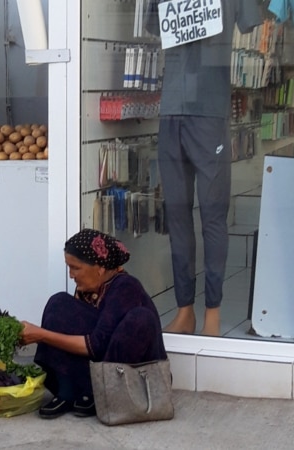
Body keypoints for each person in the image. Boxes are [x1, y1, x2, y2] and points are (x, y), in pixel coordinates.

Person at [145, 0, 262, 336]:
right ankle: (186, 310)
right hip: (172, 109)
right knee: (178, 213)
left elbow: (250, 21)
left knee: (212, 214)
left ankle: (213, 309)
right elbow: (155, 26)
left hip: (210, 110)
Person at [19, 229, 167, 419]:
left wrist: (41, 335)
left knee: (140, 319)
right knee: (58, 304)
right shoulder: (89, 288)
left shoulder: (126, 287)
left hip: (131, 376)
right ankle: (68, 391)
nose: (71, 275)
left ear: (100, 268)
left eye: (76, 268)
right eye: (69, 267)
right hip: (103, 365)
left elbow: (97, 345)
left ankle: (98, 394)